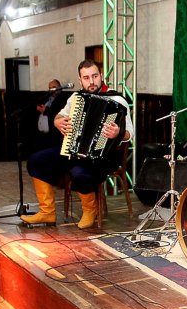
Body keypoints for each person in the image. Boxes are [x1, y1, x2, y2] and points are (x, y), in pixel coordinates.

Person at [20, 59, 134, 229]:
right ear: (80, 80)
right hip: (74, 150)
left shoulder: (117, 100)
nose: (92, 81)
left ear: (101, 76)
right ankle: (47, 212)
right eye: (86, 78)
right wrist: (57, 122)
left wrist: (119, 133)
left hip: (105, 156)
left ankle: (90, 210)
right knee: (36, 161)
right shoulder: (75, 98)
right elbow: (60, 115)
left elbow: (130, 134)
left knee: (79, 172)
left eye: (95, 76)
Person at [35, 79, 68, 149]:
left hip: (55, 136)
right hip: (44, 136)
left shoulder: (63, 98)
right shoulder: (47, 97)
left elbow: (59, 113)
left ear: (60, 87)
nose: (52, 90)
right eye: (50, 88)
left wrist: (45, 110)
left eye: (54, 87)